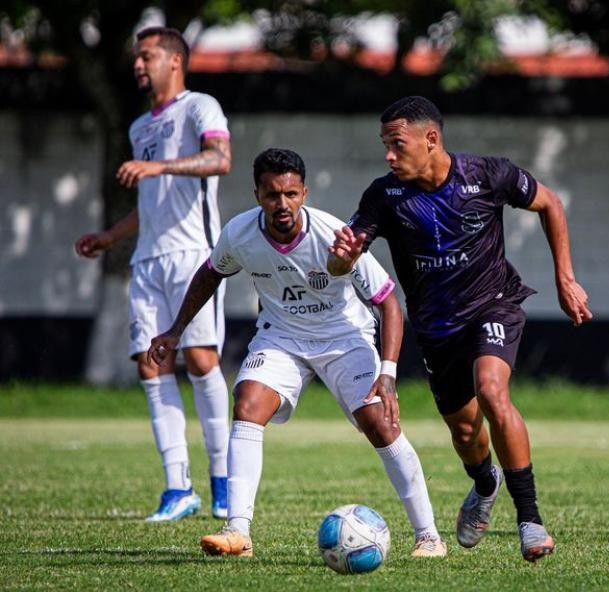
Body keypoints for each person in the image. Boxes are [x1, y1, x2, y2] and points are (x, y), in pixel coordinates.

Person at [328, 96, 593, 562]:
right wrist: (343, 257)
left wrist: (565, 278)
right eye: (384, 145)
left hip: (493, 304)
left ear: (431, 139)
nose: (389, 155)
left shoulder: (486, 175)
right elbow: (339, 262)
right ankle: (485, 483)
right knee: (466, 431)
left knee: (492, 392)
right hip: (435, 328)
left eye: (397, 144)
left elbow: (550, 203)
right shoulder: (384, 195)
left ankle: (530, 520)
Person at [148, 148, 447, 558]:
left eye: (290, 193)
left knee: (379, 422)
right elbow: (211, 272)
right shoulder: (239, 234)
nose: (282, 204)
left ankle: (429, 536)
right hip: (281, 337)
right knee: (248, 402)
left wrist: (389, 372)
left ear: (303, 192)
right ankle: (238, 531)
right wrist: (176, 329)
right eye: (272, 195)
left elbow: (388, 301)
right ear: (258, 195)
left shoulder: (335, 235)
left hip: (344, 337)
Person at [74, 26, 232, 522]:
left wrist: (159, 169)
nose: (138, 65)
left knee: (202, 360)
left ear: (174, 62)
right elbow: (151, 204)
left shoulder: (201, 106)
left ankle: (224, 481)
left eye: (146, 56)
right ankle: (177, 488)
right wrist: (110, 236)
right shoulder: (141, 126)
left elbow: (220, 159)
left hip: (194, 255)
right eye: (136, 57)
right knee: (150, 363)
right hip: (148, 259)